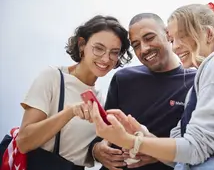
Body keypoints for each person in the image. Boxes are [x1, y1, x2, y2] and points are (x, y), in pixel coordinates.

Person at [84, 3, 214, 170]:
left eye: (182, 37)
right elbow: (183, 154)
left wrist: (132, 141)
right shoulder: (199, 83)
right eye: (174, 40)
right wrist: (145, 136)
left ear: (209, 34)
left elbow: (196, 148)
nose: (176, 47)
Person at [15, 15, 132, 169]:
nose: (106, 59)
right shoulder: (53, 78)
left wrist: (99, 152)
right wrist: (70, 111)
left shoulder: (101, 100)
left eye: (114, 52)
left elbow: (80, 150)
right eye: (99, 48)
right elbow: (23, 142)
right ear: (82, 44)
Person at [88, 13, 196, 170]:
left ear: (167, 35)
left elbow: (195, 147)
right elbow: (102, 134)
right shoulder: (123, 79)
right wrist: (97, 150)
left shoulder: (195, 82)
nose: (144, 49)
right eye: (136, 45)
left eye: (149, 38)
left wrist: (156, 153)